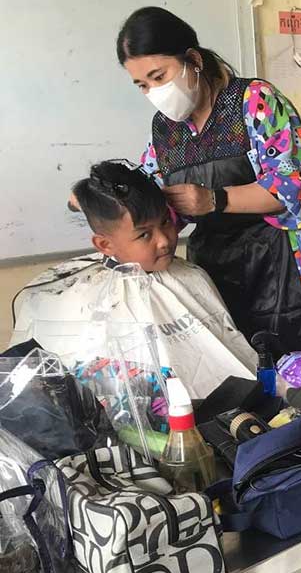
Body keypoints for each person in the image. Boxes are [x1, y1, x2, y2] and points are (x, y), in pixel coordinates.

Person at [115, 6, 301, 358]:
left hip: (287, 269)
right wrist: (110, 197)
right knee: (242, 388)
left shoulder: (254, 101)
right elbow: (155, 198)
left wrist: (214, 200)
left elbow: (289, 188)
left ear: (192, 59)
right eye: (142, 85)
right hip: (217, 274)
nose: (153, 91)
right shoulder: (164, 130)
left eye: (159, 76)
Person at [11, 161, 255, 398]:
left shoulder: (192, 275)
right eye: (144, 234)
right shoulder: (74, 296)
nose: (164, 240)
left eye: (166, 222)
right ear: (104, 244)